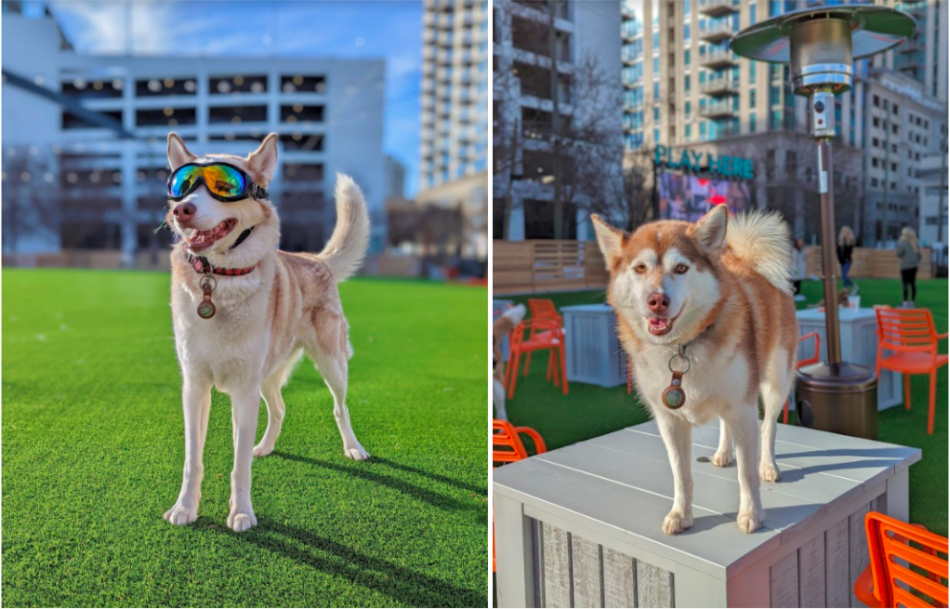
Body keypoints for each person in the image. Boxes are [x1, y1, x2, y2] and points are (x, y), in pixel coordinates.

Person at [896, 226, 921, 307]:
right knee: (912, 283)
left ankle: (905, 302)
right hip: (914, 266)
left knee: (905, 284)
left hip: (905, 266)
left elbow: (898, 254)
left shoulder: (903, 243)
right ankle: (912, 302)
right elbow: (919, 256)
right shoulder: (916, 243)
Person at [837, 226, 856, 293]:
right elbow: (838, 252)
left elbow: (849, 251)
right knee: (843, 277)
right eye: (844, 232)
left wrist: (846, 258)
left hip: (847, 261)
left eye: (846, 232)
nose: (845, 233)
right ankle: (853, 286)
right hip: (842, 261)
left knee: (844, 276)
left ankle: (845, 288)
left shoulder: (850, 242)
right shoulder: (840, 242)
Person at [791, 237, 808, 302]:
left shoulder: (802, 250)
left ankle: (798, 293)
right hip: (796, 268)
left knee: (799, 281)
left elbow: (802, 258)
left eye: (802, 242)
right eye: (800, 241)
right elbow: (794, 261)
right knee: (795, 282)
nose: (801, 243)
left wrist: (806, 254)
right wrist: (795, 270)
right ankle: (795, 294)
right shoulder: (795, 250)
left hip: (801, 268)